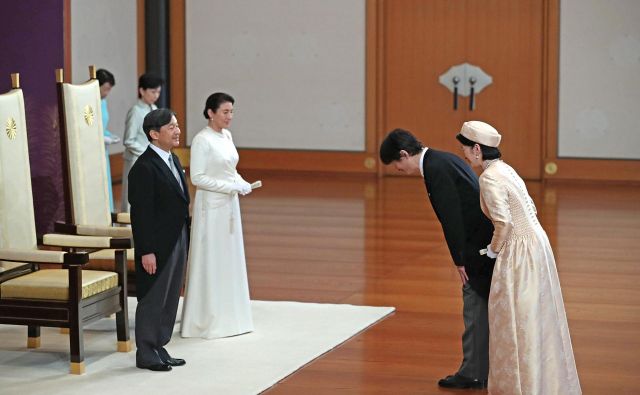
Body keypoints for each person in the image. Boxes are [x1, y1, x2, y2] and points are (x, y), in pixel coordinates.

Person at [456, 121, 581, 395]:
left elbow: (504, 224)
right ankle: (543, 381)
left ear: (477, 149)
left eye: (465, 149)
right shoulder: (506, 169)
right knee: (537, 315)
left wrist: (491, 251)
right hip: (537, 243)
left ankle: (519, 386)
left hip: (518, 252)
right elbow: (531, 208)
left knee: (512, 319)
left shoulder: (488, 178)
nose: (464, 155)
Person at [379, 129, 495, 390]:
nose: (397, 169)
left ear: (404, 154)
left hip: (476, 246)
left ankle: (473, 373)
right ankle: (482, 369)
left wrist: (459, 260)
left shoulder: (435, 168)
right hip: (483, 241)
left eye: (397, 163)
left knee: (474, 306)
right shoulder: (442, 159)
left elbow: (452, 218)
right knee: (481, 306)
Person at [181, 92, 254, 339]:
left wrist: (242, 182)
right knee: (211, 256)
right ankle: (208, 318)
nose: (229, 116)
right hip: (210, 205)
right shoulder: (202, 140)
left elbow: (229, 169)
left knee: (228, 255)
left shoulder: (227, 135)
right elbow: (197, 178)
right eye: (225, 112)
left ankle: (232, 314)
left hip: (229, 204)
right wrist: (231, 187)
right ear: (211, 112)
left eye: (232, 111)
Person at [128, 108, 190, 372]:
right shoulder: (143, 167)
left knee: (171, 294)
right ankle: (145, 350)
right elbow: (141, 214)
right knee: (154, 296)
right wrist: (146, 251)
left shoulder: (173, 160)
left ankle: (159, 344)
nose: (177, 131)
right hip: (157, 244)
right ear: (154, 134)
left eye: (177, 125)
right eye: (171, 127)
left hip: (177, 237)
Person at [121, 73, 164, 212]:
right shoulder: (135, 111)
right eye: (153, 92)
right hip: (136, 159)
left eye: (158, 92)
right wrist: (148, 153)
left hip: (151, 159)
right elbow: (128, 140)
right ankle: (128, 229)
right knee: (134, 196)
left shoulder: (155, 109)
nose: (156, 95)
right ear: (141, 91)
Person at [97, 68, 120, 212]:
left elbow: (102, 125)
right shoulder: (88, 103)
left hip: (103, 147)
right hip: (93, 148)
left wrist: (110, 135)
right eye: (105, 89)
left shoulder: (103, 102)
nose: (107, 93)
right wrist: (102, 137)